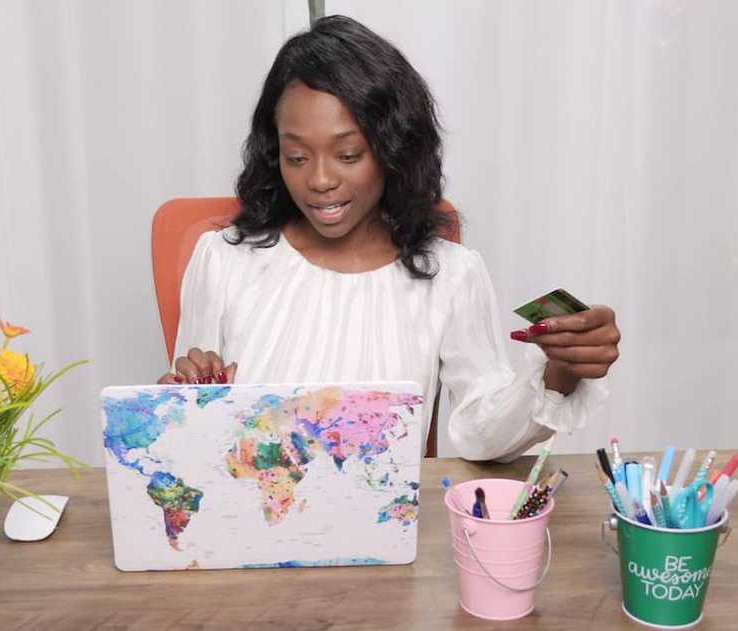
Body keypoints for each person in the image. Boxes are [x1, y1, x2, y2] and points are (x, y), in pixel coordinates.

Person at [158, 15, 619, 461]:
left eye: (348, 154)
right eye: (296, 156)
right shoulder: (222, 259)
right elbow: (192, 435)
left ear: (392, 147)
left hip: (384, 534)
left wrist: (560, 374)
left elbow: (483, 435)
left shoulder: (451, 274)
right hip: (255, 524)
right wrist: (180, 405)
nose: (319, 180)